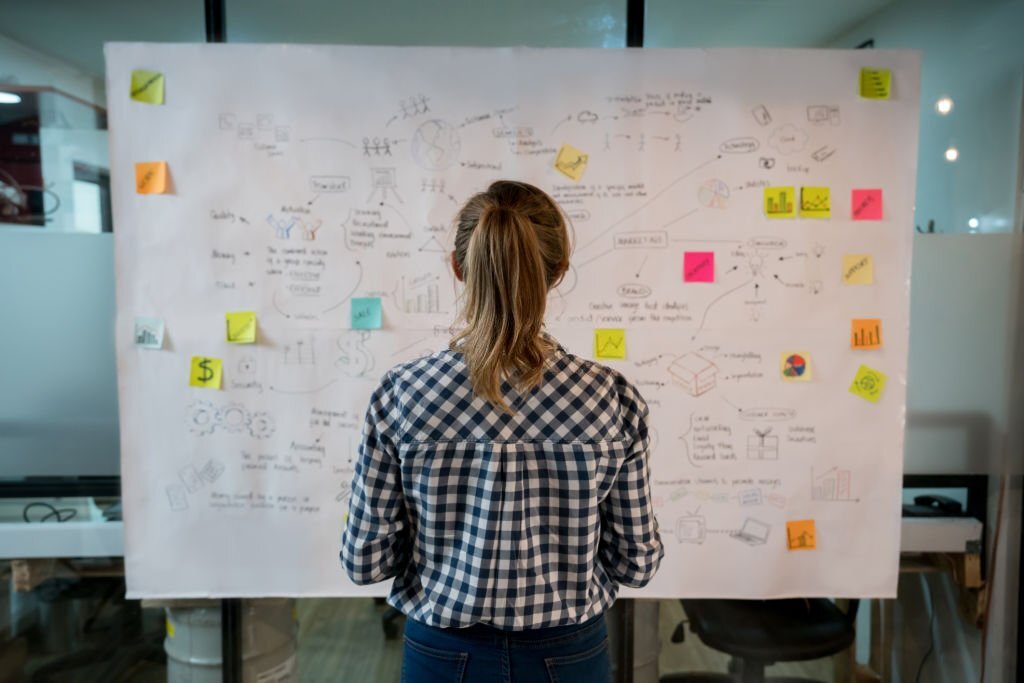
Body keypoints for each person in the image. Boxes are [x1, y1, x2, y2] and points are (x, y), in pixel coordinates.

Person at [341, 180, 663, 682]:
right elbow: (636, 564)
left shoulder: (401, 393)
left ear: (457, 267)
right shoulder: (610, 396)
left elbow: (365, 561)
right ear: (557, 273)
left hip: (443, 653)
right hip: (569, 654)